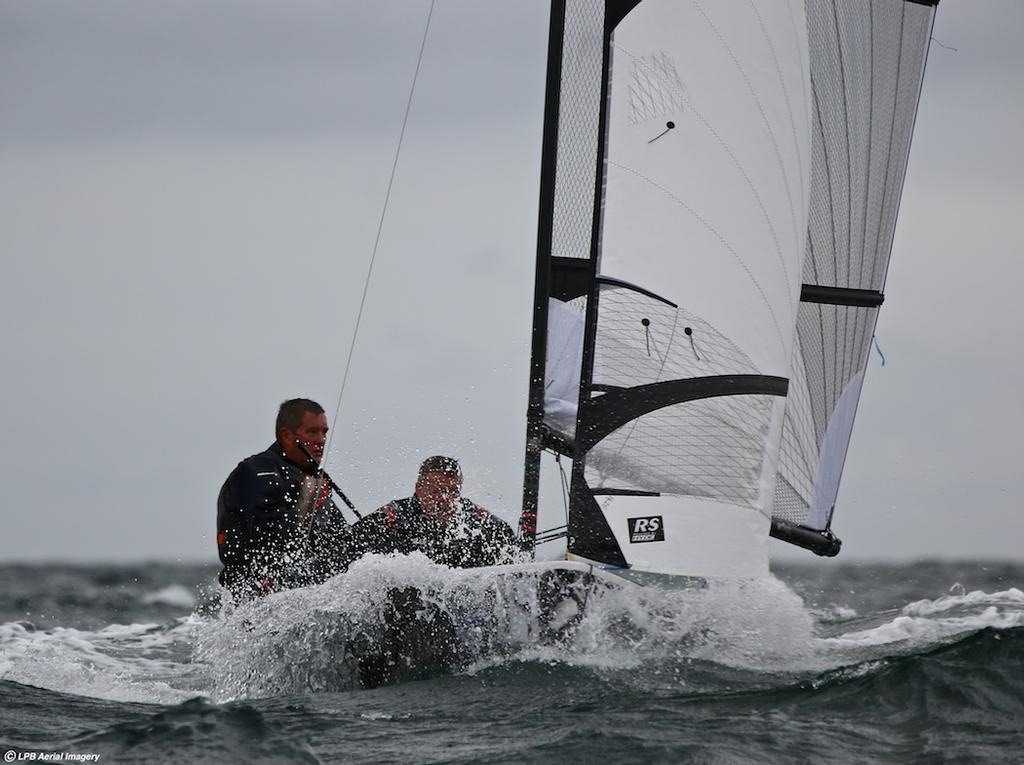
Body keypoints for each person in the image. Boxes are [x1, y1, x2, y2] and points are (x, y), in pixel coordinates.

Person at [216, 398, 350, 599]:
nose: (321, 440)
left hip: (306, 591)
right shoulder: (257, 472)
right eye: (312, 432)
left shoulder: (313, 481)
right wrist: (307, 504)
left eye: (324, 433)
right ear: (287, 436)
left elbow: (342, 540)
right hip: (257, 597)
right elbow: (272, 545)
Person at [346, 456, 519, 570]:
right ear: (419, 489)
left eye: (454, 492)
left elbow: (510, 547)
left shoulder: (476, 520)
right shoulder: (393, 518)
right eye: (437, 491)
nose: (446, 499)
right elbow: (346, 549)